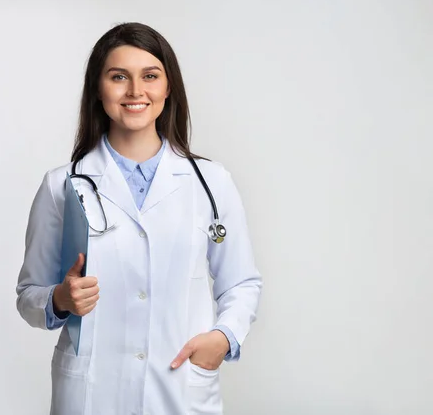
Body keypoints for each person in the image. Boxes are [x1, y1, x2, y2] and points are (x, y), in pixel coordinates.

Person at [16, 22, 262, 415]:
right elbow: (29, 295)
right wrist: (60, 299)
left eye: (150, 76)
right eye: (118, 77)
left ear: (168, 88)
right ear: (99, 89)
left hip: (180, 386)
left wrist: (223, 336)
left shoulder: (212, 182)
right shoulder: (63, 185)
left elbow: (242, 282)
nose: (135, 91)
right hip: (93, 392)